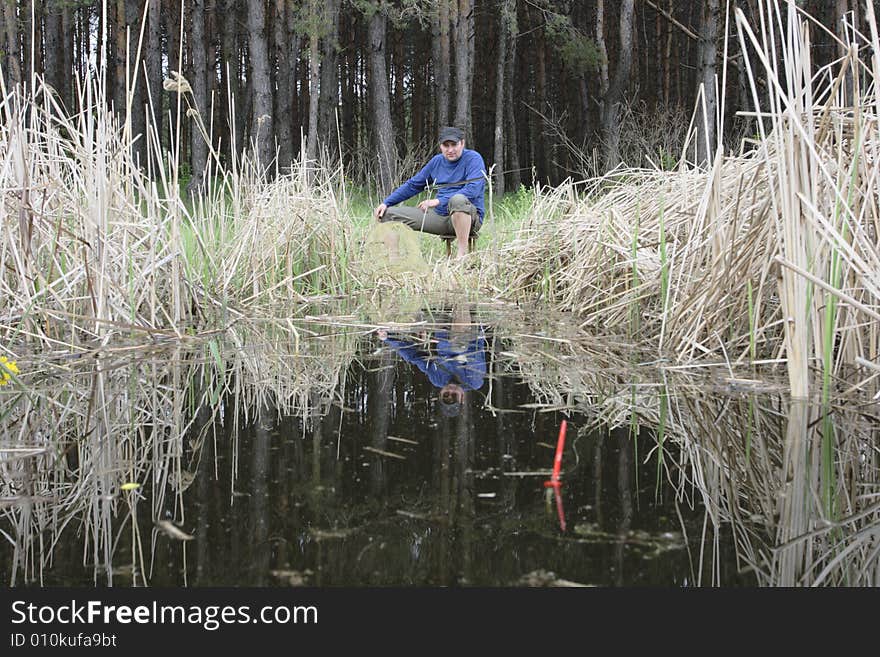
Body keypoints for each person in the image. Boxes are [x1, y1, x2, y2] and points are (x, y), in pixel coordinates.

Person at [373, 126, 486, 259]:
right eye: (446, 145)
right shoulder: (437, 161)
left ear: (462, 143)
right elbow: (413, 185)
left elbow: (473, 189)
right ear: (440, 146)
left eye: (454, 145)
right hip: (441, 217)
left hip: (469, 218)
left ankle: (462, 256)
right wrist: (387, 202)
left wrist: (437, 201)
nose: (450, 150)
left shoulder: (473, 158)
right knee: (386, 214)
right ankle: (394, 260)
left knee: (458, 200)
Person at [377, 305, 487, 418]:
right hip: (469, 334)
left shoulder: (437, 380)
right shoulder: (474, 383)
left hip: (442, 331)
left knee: (418, 325)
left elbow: (415, 357)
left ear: (440, 394)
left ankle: (441, 307)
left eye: (446, 395)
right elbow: (474, 353)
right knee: (459, 347)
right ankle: (462, 303)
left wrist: (388, 338)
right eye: (454, 396)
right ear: (462, 397)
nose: (450, 391)